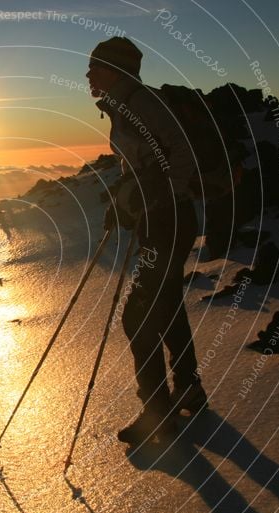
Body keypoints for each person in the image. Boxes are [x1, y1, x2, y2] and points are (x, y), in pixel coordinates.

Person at [86, 36, 208, 446]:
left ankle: (158, 413)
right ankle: (188, 388)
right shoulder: (125, 107)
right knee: (167, 302)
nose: (88, 75)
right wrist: (126, 198)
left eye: (96, 67)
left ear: (117, 71)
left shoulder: (140, 103)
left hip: (167, 220)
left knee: (137, 317)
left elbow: (179, 153)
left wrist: (154, 196)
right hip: (163, 219)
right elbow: (144, 163)